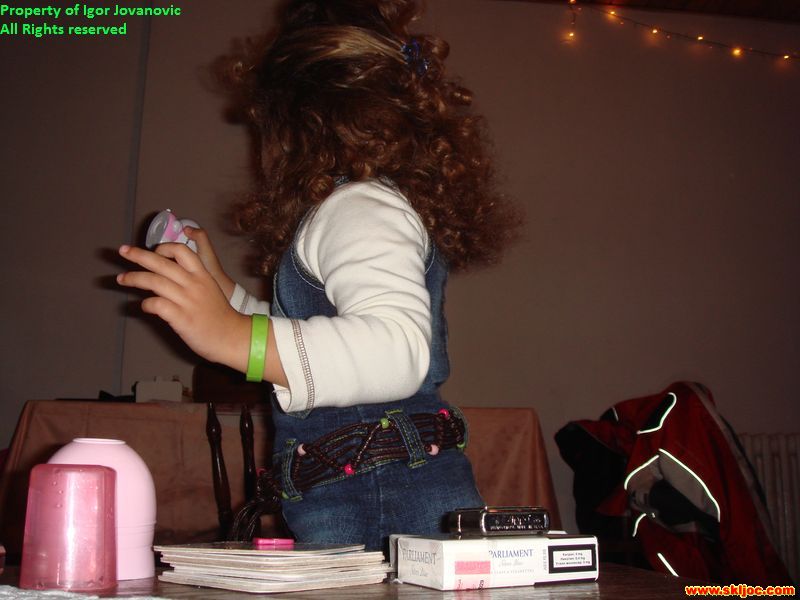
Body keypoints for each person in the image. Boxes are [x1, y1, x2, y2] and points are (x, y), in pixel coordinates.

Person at [117, 0, 521, 552]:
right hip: (374, 496)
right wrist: (226, 301)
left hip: (384, 507)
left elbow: (395, 352)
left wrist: (234, 335)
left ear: (300, 124)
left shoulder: (359, 208)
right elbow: (319, 335)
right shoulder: (360, 208)